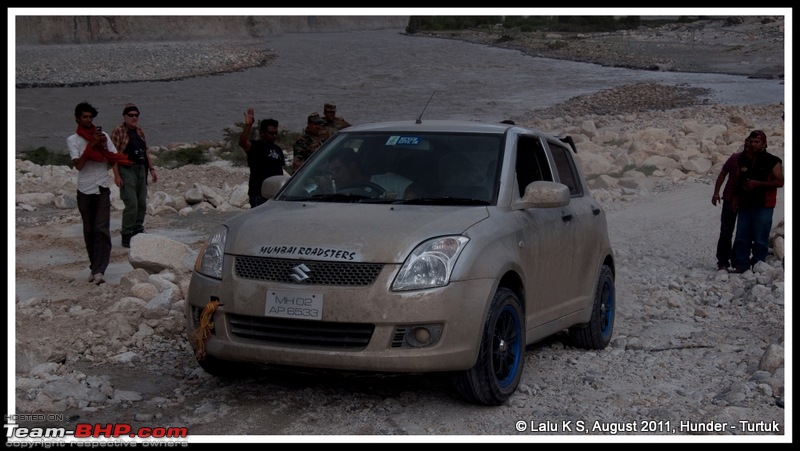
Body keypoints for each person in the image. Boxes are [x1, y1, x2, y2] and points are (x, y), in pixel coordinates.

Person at [66, 102, 125, 285]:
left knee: (102, 228)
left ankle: (100, 269)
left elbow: (112, 159)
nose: (88, 120)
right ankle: (94, 266)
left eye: (91, 117)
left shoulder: (104, 136)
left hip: (101, 188)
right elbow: (79, 165)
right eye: (85, 117)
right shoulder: (73, 140)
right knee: (89, 230)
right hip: (84, 189)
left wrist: (103, 148)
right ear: (77, 118)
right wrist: (90, 147)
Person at [729, 130, 783, 273]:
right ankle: (741, 265)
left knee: (760, 237)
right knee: (741, 236)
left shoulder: (773, 161)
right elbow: (738, 180)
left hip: (764, 205)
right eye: (751, 141)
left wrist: (757, 184)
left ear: (764, 144)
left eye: (757, 142)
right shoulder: (743, 160)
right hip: (745, 204)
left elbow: (780, 181)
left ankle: (759, 264)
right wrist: (735, 197)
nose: (753, 144)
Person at [110, 103, 156, 248]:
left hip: (141, 168)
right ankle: (127, 233)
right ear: (125, 116)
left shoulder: (139, 131)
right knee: (132, 203)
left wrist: (152, 168)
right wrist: (117, 175)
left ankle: (138, 229)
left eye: (136, 115)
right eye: (131, 115)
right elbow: (113, 155)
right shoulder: (118, 131)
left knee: (141, 202)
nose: (134, 118)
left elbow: (145, 150)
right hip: (126, 168)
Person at [711, 136, 753, 271]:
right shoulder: (735, 158)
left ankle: (737, 261)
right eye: (746, 143)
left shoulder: (757, 161)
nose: (748, 146)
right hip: (729, 199)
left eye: (751, 143)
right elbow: (723, 174)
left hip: (747, 202)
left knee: (742, 232)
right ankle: (723, 262)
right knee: (726, 231)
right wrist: (716, 192)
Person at [238, 108, 285, 208]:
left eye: (276, 133)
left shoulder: (278, 149)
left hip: (276, 195)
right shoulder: (256, 146)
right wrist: (248, 126)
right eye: (271, 133)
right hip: (259, 195)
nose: (274, 136)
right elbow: (242, 143)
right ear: (262, 133)